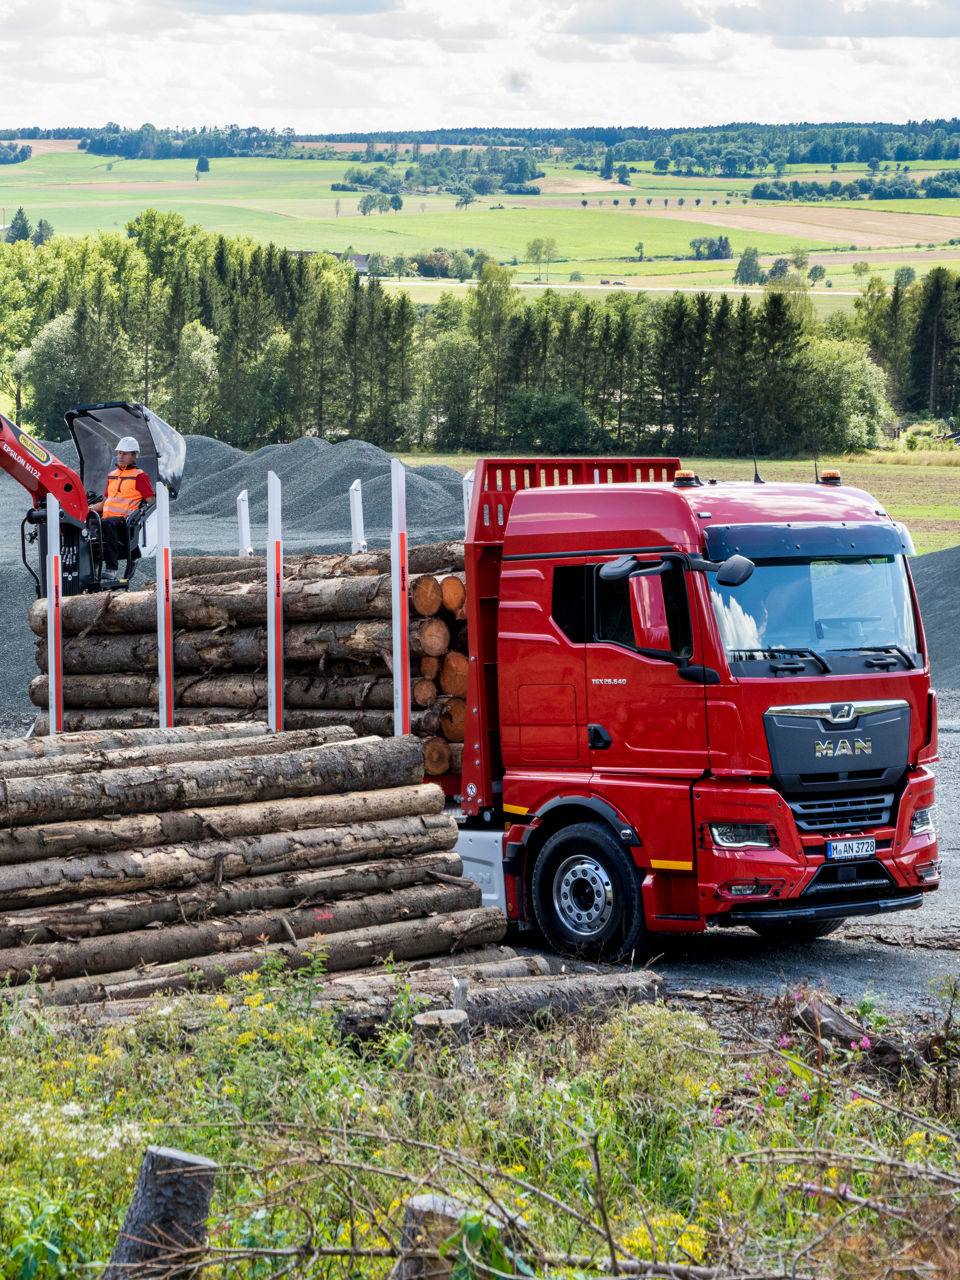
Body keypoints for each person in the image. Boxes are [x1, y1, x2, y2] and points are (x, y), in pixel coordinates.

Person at [90, 436, 154, 576]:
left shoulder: (140, 476)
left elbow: (151, 502)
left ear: (134, 455)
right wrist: (85, 510)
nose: (120, 456)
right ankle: (90, 565)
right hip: (108, 520)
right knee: (88, 523)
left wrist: (137, 514)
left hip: (124, 523)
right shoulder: (112, 475)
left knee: (107, 524)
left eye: (124, 453)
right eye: (119, 453)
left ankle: (112, 569)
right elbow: (103, 503)